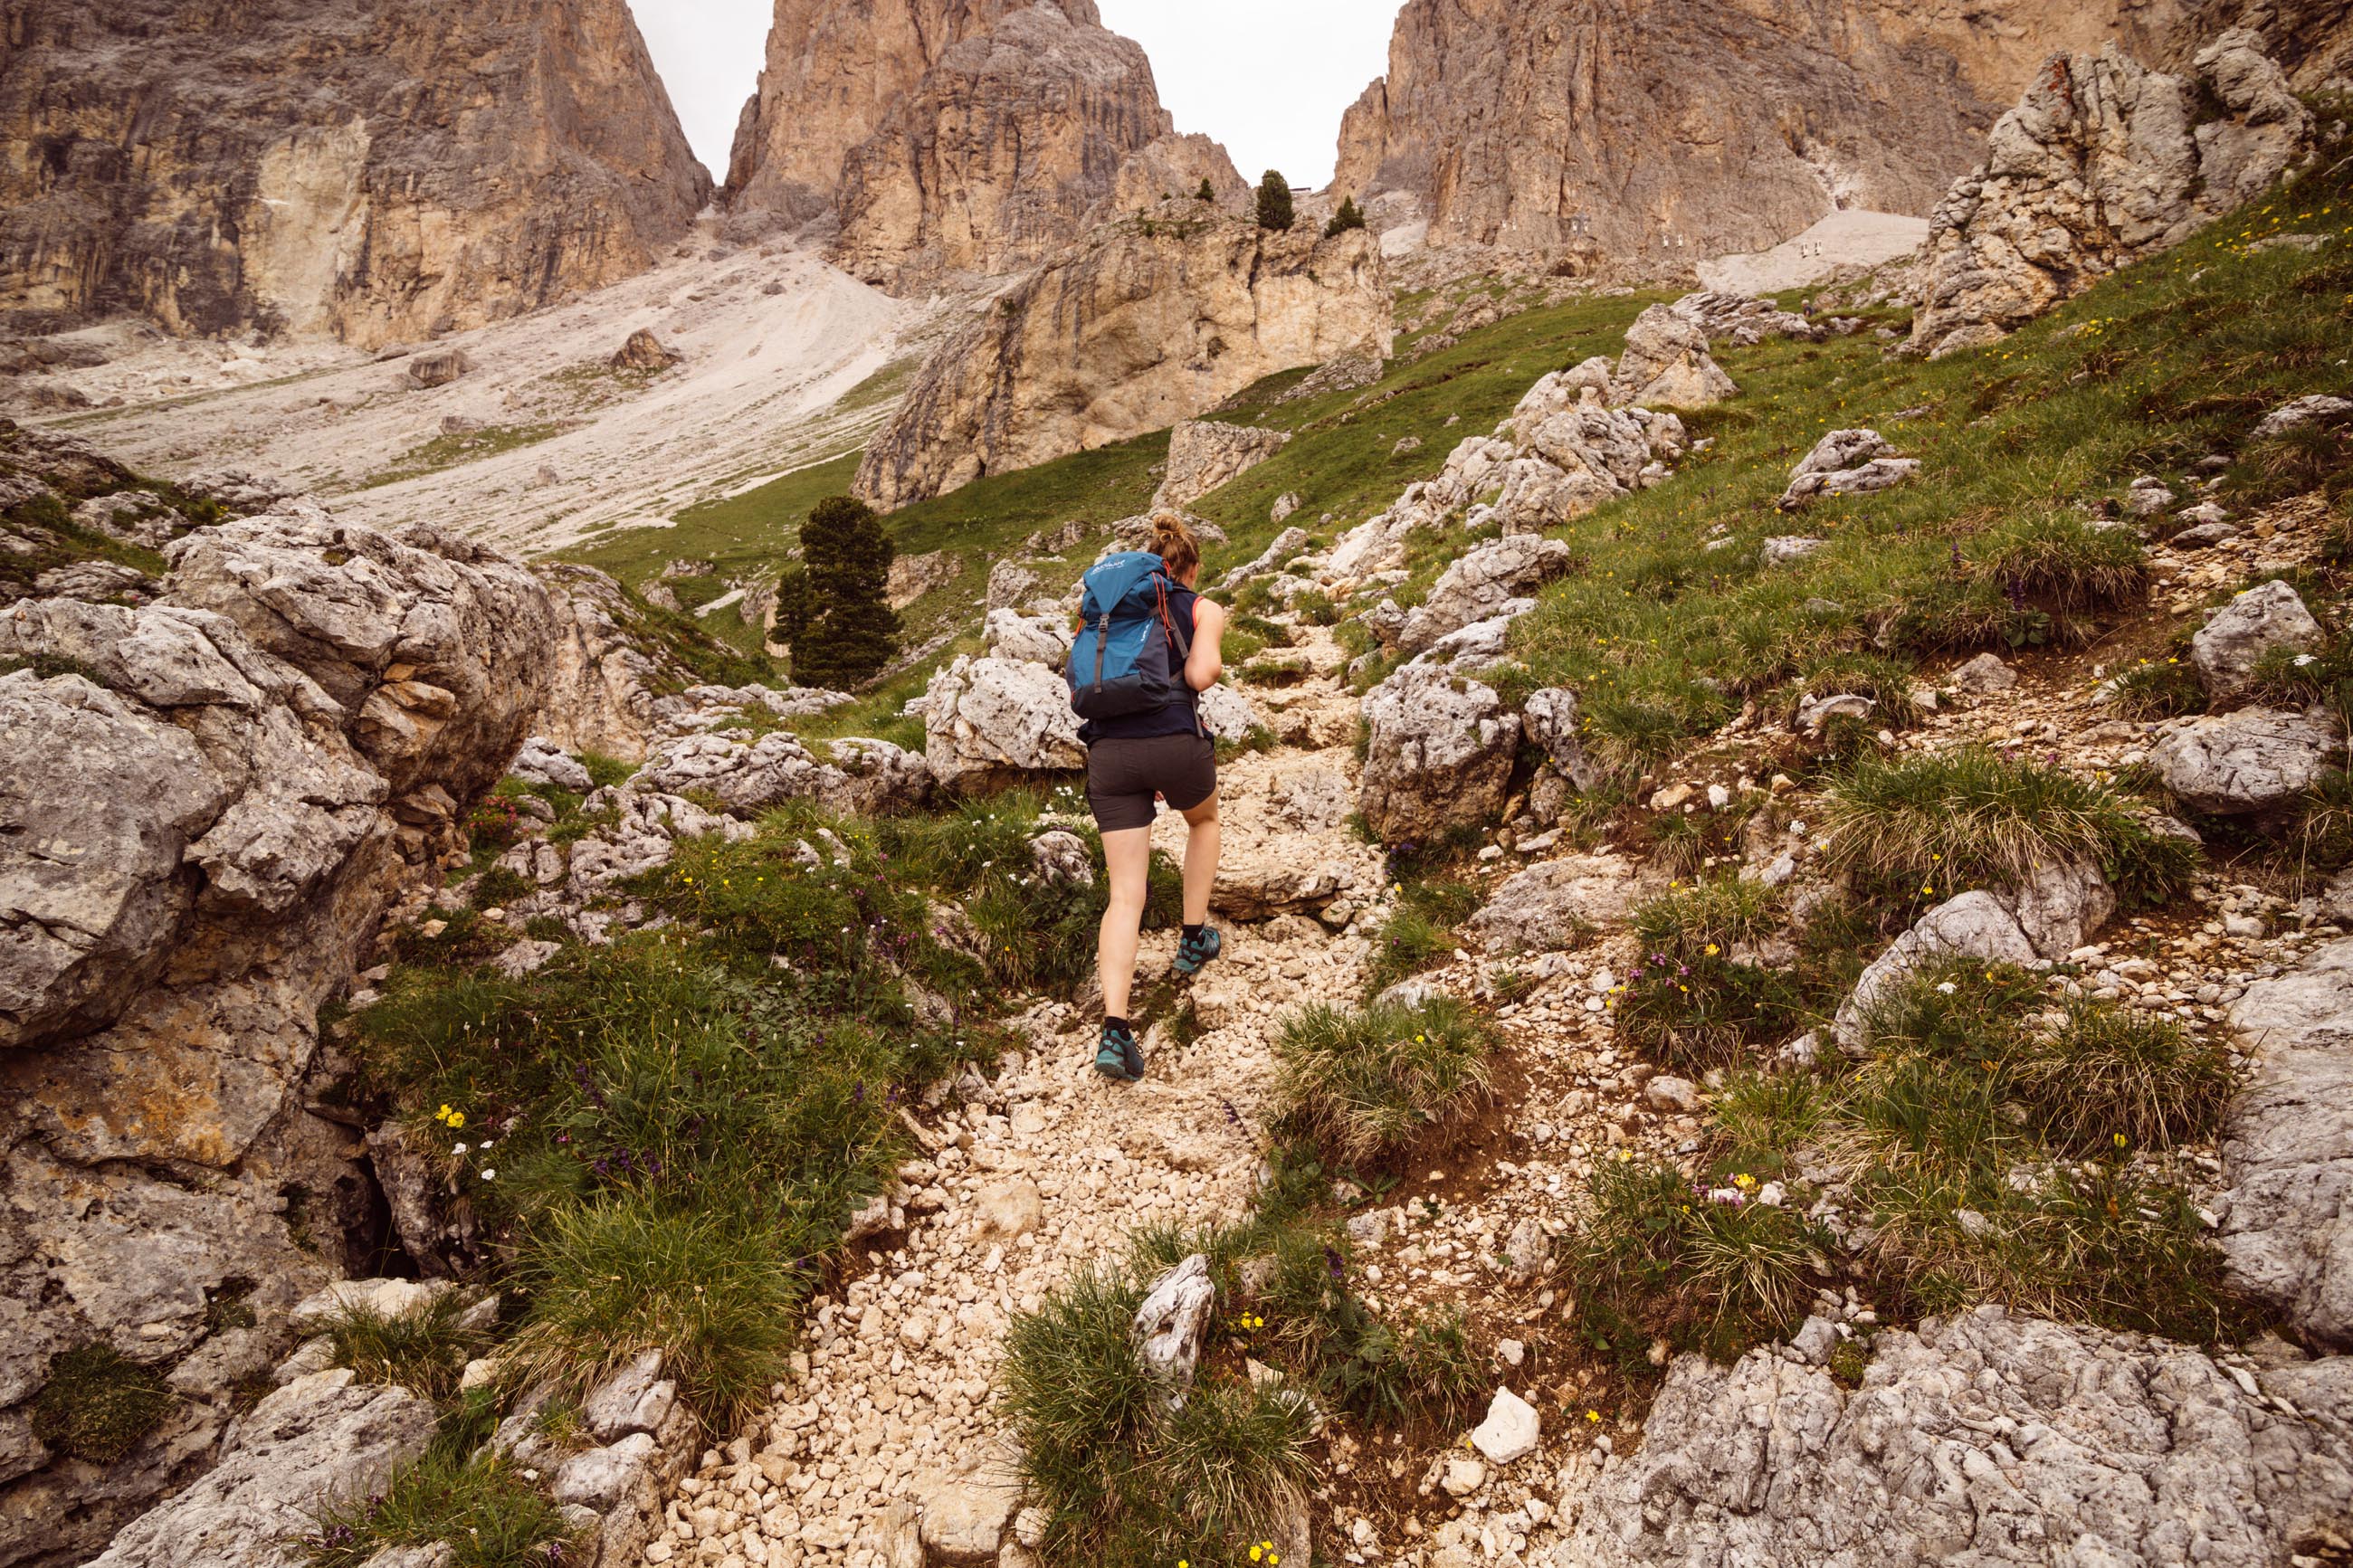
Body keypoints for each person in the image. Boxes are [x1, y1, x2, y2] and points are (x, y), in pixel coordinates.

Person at [1081, 512, 1228, 1081]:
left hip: (1109, 756)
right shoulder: (1200, 605)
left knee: (1125, 895)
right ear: (1189, 567)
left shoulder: (1105, 610)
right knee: (1204, 820)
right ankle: (1194, 939)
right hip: (1174, 743)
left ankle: (1115, 1031)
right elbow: (1201, 676)